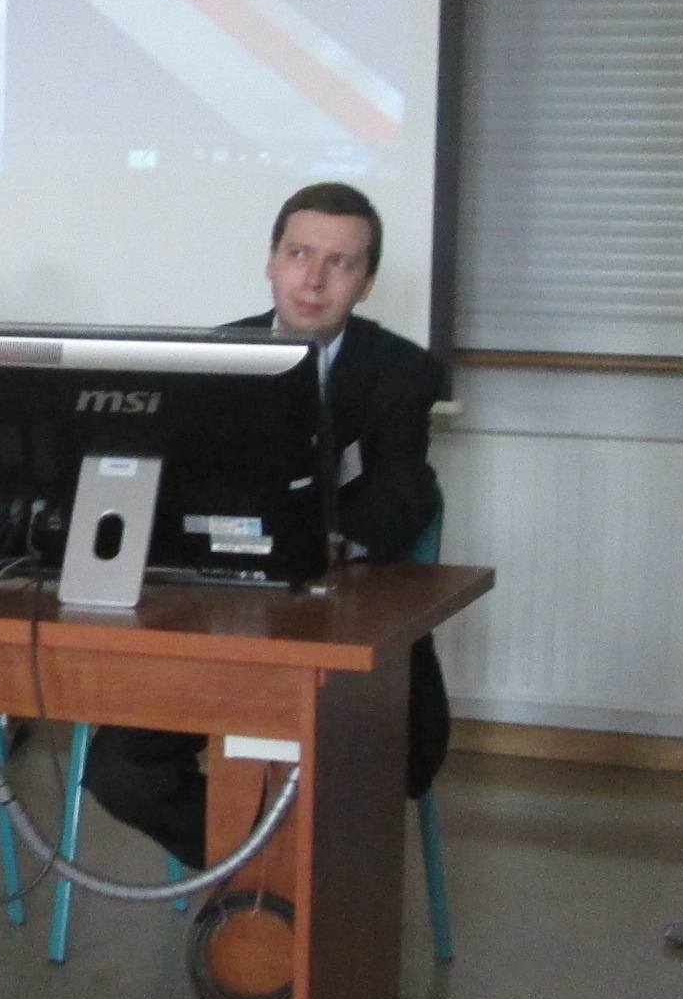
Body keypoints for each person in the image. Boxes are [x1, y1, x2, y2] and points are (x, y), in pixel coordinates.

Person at [78, 181, 452, 865]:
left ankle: (287, 898)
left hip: (345, 650)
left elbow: (404, 498)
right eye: (299, 254)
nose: (313, 279)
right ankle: (269, 871)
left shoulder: (402, 372)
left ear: (365, 283)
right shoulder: (217, 354)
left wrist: (320, 538)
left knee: (336, 772)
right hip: (220, 636)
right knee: (119, 771)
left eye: (339, 263)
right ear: (271, 261)